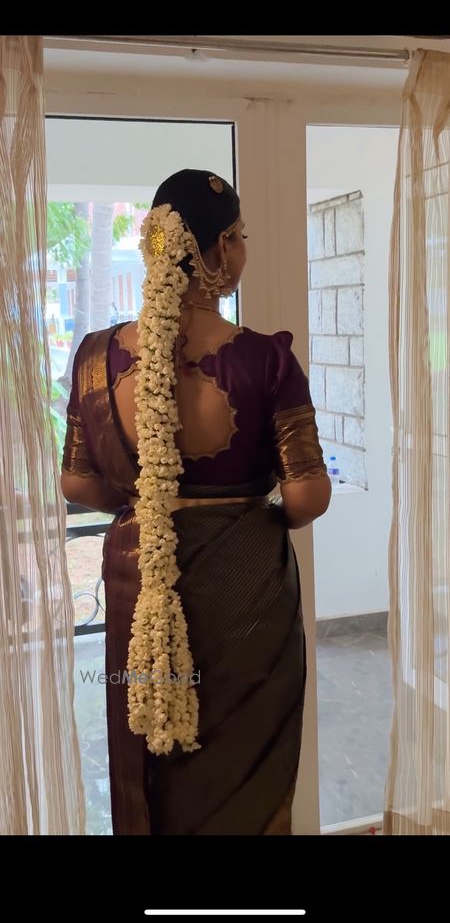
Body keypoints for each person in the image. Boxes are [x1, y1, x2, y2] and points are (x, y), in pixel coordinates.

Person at [60, 169, 331, 835]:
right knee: (247, 774)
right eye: (241, 236)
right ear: (220, 249)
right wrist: (256, 515)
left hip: (138, 579)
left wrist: (148, 501)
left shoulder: (94, 358)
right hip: (247, 588)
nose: (243, 250)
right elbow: (307, 494)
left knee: (150, 764)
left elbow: (76, 484)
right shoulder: (266, 360)